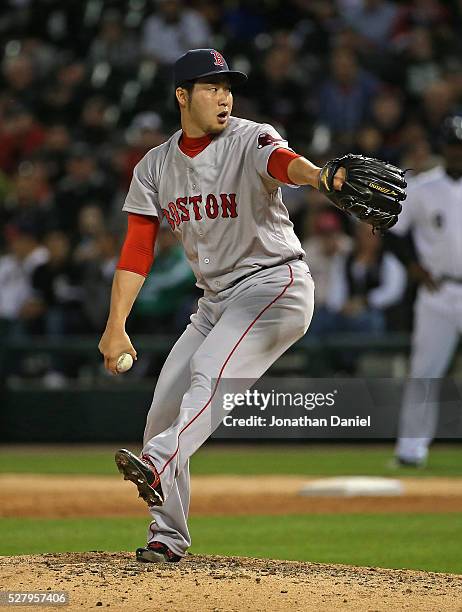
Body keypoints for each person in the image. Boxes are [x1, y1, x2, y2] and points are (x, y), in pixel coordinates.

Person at [98, 48, 347, 564]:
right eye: (211, 86)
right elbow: (137, 251)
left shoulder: (249, 136)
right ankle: (168, 536)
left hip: (273, 285)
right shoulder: (154, 166)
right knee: (163, 410)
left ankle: (162, 459)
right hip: (215, 302)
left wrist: (320, 177)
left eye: (228, 86)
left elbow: (285, 162)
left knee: (209, 374)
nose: (225, 95)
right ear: (182, 96)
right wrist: (116, 324)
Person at [389, 114, 462, 467]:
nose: (457, 152)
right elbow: (394, 231)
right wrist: (412, 267)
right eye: (452, 145)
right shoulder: (422, 188)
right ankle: (410, 450)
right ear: (443, 147)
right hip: (438, 291)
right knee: (424, 371)